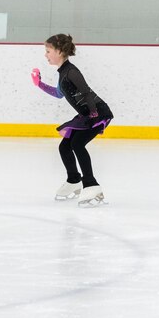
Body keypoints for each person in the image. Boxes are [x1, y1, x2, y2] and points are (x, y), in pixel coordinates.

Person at [31, 34, 113, 207]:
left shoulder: (72, 72)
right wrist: (40, 84)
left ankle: (92, 186)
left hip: (97, 113)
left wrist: (92, 114)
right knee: (65, 146)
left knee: (77, 144)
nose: (45, 55)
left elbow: (85, 91)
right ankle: (74, 180)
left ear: (59, 51)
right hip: (88, 113)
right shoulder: (63, 73)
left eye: (48, 51)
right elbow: (58, 94)